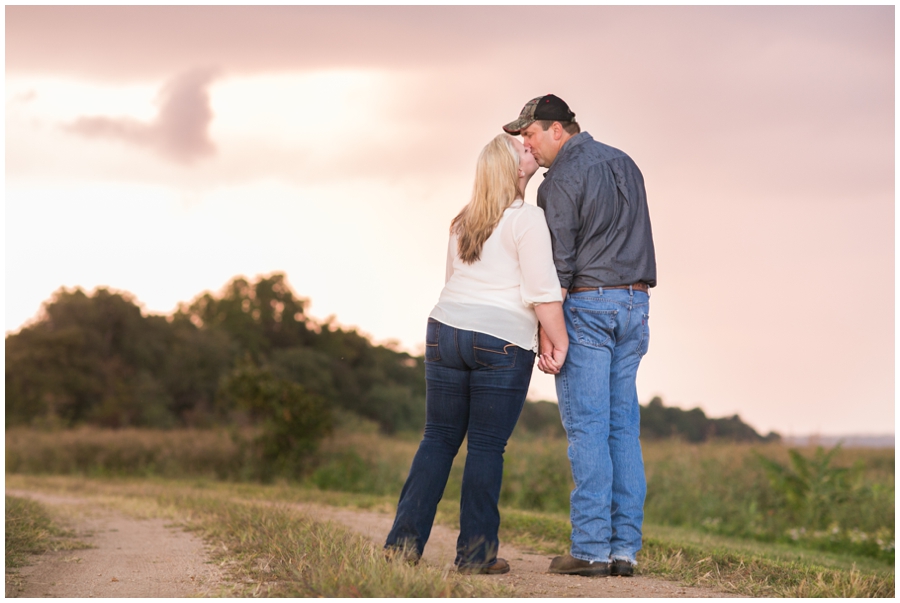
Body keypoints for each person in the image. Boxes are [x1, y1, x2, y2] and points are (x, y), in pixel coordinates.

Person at [384, 133, 569, 575]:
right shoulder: (527, 219)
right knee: (486, 446)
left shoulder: (462, 221)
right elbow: (543, 293)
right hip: (500, 341)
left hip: (444, 331)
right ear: (512, 169)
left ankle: (402, 547)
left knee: (437, 439)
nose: (530, 148)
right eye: (522, 150)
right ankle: (476, 555)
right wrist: (558, 341)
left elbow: (452, 279)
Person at [502, 94, 657, 578]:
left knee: (589, 429)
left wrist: (554, 332)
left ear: (556, 129)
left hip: (588, 303)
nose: (526, 145)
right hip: (636, 305)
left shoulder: (560, 181)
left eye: (529, 134)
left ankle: (589, 549)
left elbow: (559, 268)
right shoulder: (624, 161)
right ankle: (623, 552)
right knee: (622, 430)